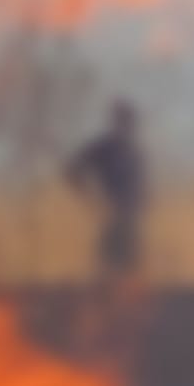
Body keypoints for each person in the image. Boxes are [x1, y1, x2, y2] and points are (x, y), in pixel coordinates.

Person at [66, 98, 147, 279]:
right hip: (111, 216)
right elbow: (72, 169)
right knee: (109, 266)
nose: (127, 126)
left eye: (129, 121)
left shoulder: (134, 151)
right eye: (124, 120)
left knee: (130, 269)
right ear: (117, 122)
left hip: (130, 219)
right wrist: (91, 198)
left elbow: (142, 187)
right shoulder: (105, 148)